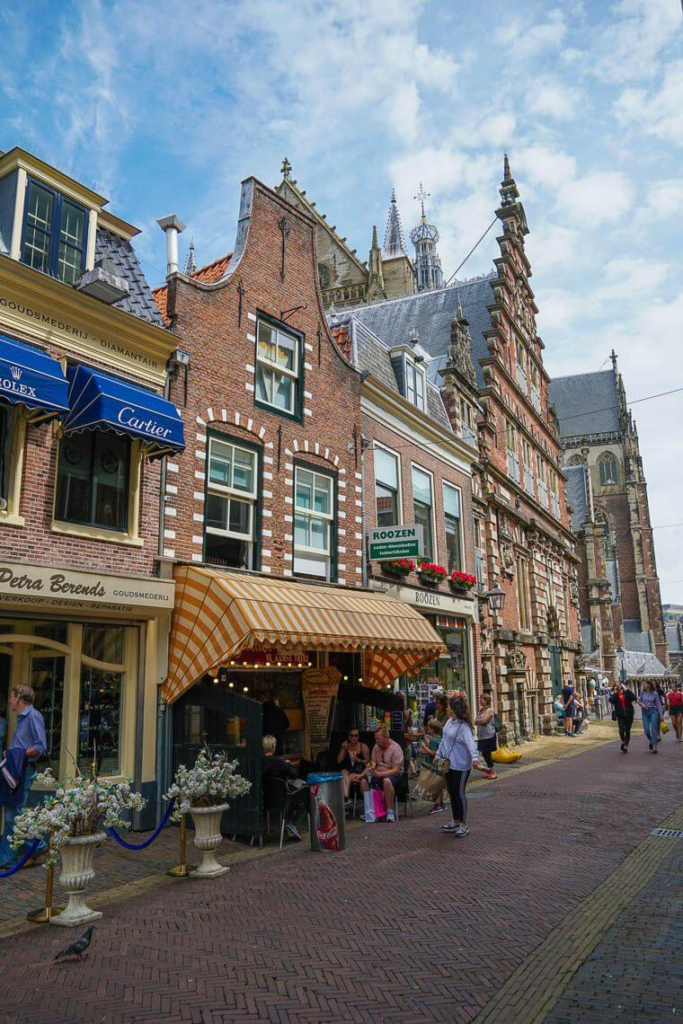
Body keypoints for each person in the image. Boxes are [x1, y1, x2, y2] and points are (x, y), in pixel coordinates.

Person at [0, 686, 47, 869]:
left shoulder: (33, 717)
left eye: (11, 696)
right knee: (11, 812)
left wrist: (18, 754)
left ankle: (38, 847)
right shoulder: (21, 718)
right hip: (15, 769)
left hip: (24, 770)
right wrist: (11, 753)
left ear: (18, 697)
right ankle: (7, 858)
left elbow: (40, 746)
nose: (10, 700)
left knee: (14, 813)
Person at [436, 697, 487, 838]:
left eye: (449, 707)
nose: (447, 709)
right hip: (448, 765)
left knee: (459, 793)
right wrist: (438, 754)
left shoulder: (463, 727)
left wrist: (475, 759)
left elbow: (471, 744)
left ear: (455, 709)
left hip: (461, 765)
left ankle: (464, 824)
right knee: (452, 793)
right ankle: (456, 820)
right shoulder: (448, 722)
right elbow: (444, 741)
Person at [261, 734, 302, 840]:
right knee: (304, 801)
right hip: (282, 800)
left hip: (264, 800)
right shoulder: (278, 761)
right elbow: (294, 774)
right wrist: (288, 764)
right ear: (273, 747)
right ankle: (291, 824)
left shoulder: (260, 762)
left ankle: (288, 825)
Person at [359, 727, 404, 823]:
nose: (376, 741)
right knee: (363, 781)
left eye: (378, 739)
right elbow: (373, 763)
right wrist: (364, 773)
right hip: (377, 773)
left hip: (393, 775)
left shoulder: (396, 749)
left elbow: (396, 770)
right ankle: (371, 811)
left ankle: (390, 812)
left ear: (386, 738)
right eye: (375, 739)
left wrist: (379, 774)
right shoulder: (376, 747)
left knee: (386, 781)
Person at [419, 719, 445, 814]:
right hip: (441, 765)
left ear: (432, 730)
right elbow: (431, 744)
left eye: (429, 728)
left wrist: (424, 748)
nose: (428, 730)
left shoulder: (434, 740)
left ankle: (437, 805)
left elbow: (433, 753)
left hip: (435, 765)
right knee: (440, 784)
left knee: (435, 786)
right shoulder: (438, 738)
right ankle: (441, 804)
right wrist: (424, 737)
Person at [336, 728, 370, 799]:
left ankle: (345, 797)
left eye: (356, 735)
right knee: (343, 772)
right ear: (349, 737)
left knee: (348, 777)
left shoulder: (363, 746)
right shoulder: (346, 746)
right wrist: (343, 749)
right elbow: (339, 761)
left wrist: (359, 760)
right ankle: (346, 797)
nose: (354, 737)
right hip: (348, 770)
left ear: (358, 737)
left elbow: (368, 762)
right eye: (352, 735)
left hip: (359, 771)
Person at [609, 681, 637, 752]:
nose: (618, 686)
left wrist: (628, 690)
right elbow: (611, 700)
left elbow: (633, 697)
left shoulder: (626, 693)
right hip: (620, 715)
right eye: (616, 685)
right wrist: (615, 693)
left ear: (621, 685)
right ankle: (623, 741)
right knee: (621, 730)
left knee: (627, 730)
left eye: (619, 684)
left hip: (629, 714)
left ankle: (626, 746)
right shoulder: (615, 695)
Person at [474, 694, 498, 779]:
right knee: (485, 754)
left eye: (482, 699)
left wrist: (479, 721)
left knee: (486, 754)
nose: (480, 701)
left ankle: (493, 773)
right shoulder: (481, 711)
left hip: (489, 735)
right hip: (482, 736)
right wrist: (479, 721)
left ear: (486, 700)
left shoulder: (489, 710)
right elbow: (475, 721)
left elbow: (484, 720)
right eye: (480, 699)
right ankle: (490, 771)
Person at [639, 680, 664, 753]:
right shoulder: (642, 692)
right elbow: (639, 701)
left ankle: (655, 747)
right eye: (642, 684)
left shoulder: (655, 693)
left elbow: (659, 705)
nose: (643, 685)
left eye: (644, 684)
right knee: (646, 731)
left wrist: (661, 715)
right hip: (645, 713)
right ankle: (651, 740)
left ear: (649, 685)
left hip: (653, 711)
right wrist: (642, 704)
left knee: (654, 730)